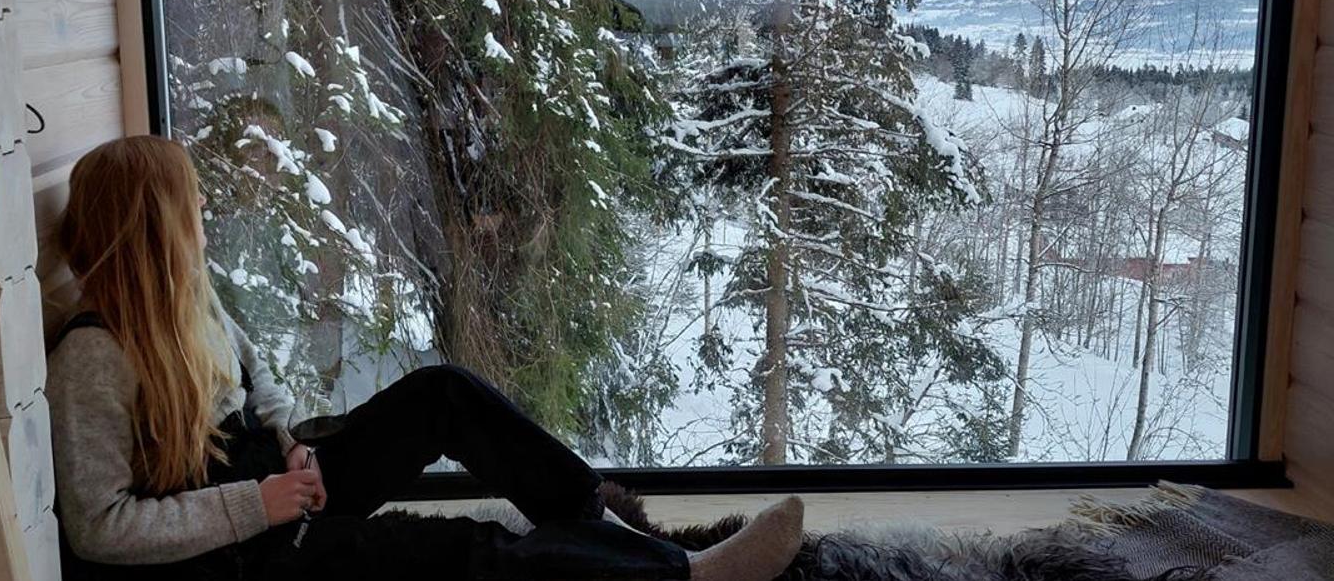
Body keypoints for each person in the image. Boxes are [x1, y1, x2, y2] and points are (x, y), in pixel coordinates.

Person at [47, 135, 804, 581]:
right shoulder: (92, 359)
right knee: (466, 550)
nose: (205, 218)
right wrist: (258, 505)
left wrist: (288, 448)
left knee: (444, 393)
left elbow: (258, 383)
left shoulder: (190, 301)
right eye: (193, 207)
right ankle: (685, 578)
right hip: (240, 555)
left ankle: (618, 536)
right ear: (156, 230)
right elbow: (99, 528)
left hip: (276, 494)